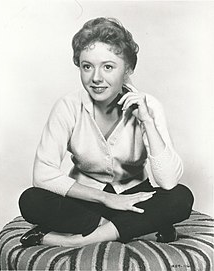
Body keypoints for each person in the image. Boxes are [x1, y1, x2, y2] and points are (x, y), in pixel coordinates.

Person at [19, 17, 194, 248]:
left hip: (134, 197)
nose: (96, 78)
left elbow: (168, 181)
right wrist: (107, 199)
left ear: (128, 69)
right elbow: (42, 174)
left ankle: (82, 239)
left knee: (181, 197)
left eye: (108, 67)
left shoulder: (149, 106)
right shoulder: (68, 106)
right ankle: (137, 229)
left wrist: (147, 123)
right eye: (87, 66)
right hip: (87, 199)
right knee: (31, 200)